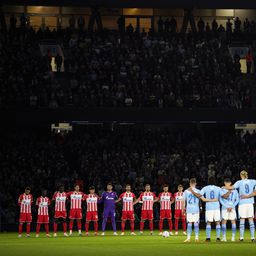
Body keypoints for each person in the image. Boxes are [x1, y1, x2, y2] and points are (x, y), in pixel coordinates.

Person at [224, 170, 256, 242]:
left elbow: (231, 188)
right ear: (247, 175)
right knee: (251, 219)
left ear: (241, 175)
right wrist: (248, 196)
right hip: (250, 203)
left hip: (242, 203)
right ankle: (252, 237)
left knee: (242, 220)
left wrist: (224, 187)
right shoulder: (253, 181)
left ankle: (241, 238)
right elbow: (255, 193)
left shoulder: (239, 182)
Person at [184, 178, 218, 243]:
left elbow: (184, 202)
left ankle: (188, 238)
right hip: (196, 209)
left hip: (189, 209)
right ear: (195, 183)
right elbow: (204, 199)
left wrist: (183, 209)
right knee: (196, 223)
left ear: (190, 183)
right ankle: (196, 238)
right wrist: (213, 200)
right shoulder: (199, 191)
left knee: (189, 223)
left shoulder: (186, 191)